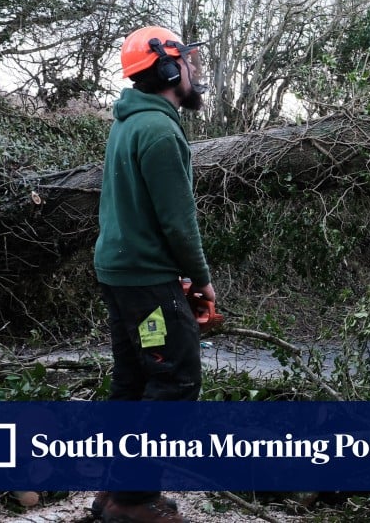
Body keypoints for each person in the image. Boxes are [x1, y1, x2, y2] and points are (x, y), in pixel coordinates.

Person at [92, 26, 215, 523]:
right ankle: (133, 501)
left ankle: (113, 492)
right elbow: (178, 221)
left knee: (133, 381)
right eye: (187, 63)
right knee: (175, 379)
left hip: (122, 273)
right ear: (169, 69)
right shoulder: (160, 131)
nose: (194, 71)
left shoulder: (127, 123)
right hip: (144, 279)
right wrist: (200, 278)